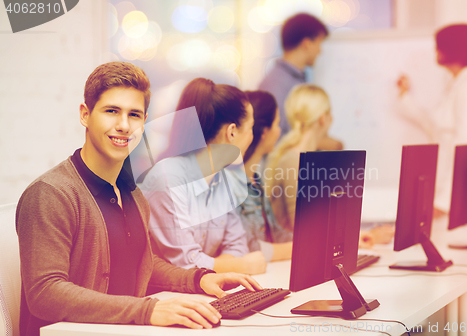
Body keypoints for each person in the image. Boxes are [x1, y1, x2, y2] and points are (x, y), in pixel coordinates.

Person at [15, 62, 261, 336]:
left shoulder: (132, 193)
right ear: (85, 115)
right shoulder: (51, 193)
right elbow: (46, 293)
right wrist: (148, 311)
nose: (123, 125)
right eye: (111, 111)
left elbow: (143, 265)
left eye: (134, 115)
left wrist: (199, 279)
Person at [142, 78, 267, 275]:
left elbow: (237, 246)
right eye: (251, 128)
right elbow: (186, 262)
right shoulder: (168, 179)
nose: (252, 137)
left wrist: (222, 266)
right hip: (163, 298)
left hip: (204, 292)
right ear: (232, 132)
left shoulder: (224, 179)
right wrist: (239, 266)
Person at [264, 84, 393, 248]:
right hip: (290, 259)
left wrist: (358, 235)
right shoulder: (292, 161)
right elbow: (303, 229)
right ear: (323, 118)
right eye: (330, 113)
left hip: (307, 251)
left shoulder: (304, 157)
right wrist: (359, 238)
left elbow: (319, 223)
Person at [396, 24, 467, 215]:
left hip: (451, 202)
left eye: (439, 46)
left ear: (454, 49)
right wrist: (405, 97)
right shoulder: (456, 84)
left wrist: (444, 203)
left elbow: (466, 147)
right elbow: (433, 126)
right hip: (442, 193)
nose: (435, 51)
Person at [258, 13, 343, 150]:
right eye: (319, 43)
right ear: (307, 44)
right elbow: (274, 139)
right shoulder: (276, 84)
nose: (320, 50)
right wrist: (319, 143)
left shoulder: (297, 79)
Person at [226, 90, 294, 262]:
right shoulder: (229, 184)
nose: (279, 132)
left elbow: (278, 235)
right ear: (264, 131)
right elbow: (249, 248)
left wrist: (319, 241)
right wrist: (301, 248)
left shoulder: (255, 180)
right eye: (277, 124)